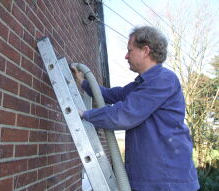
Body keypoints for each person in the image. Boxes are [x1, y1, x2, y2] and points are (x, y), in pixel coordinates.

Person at [72, 26, 200, 191]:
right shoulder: (141, 85)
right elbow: (111, 94)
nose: (126, 56)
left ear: (145, 50)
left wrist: (85, 114)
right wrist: (83, 82)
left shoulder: (163, 80)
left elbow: (125, 114)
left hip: (167, 181)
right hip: (150, 179)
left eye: (130, 50)